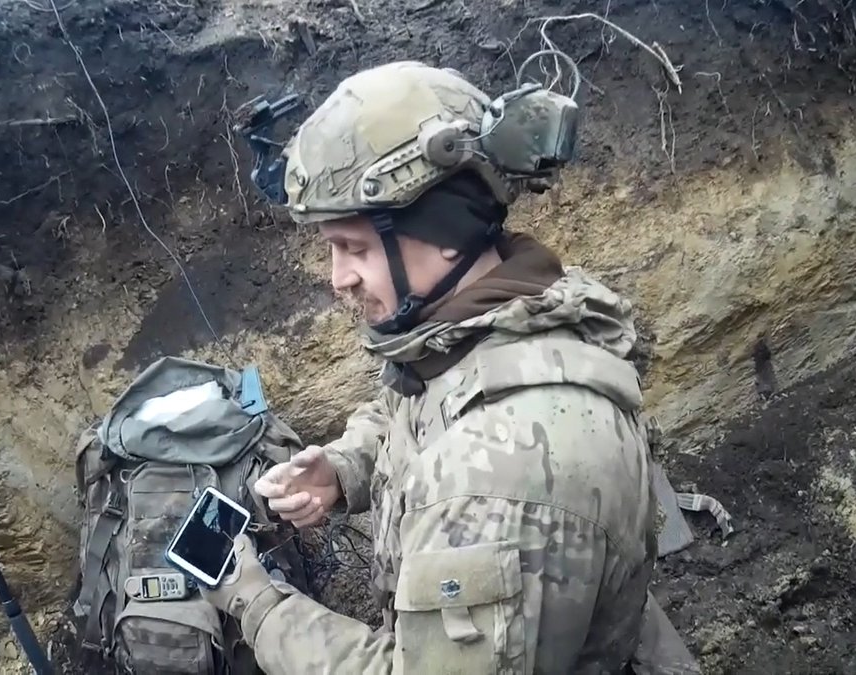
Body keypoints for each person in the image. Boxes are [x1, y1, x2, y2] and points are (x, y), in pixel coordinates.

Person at [200, 61, 700, 674]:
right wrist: (344, 466)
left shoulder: (493, 482)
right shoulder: (504, 319)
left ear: (445, 231)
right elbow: (422, 398)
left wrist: (257, 602)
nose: (337, 279)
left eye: (354, 248)